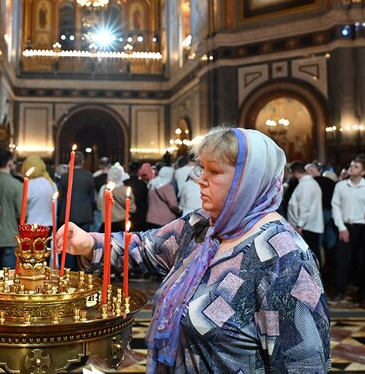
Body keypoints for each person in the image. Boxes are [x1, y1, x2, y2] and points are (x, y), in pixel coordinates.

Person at [56, 127, 330, 372]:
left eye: (214, 172)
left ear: (249, 181)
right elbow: (147, 247)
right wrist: (89, 243)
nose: (201, 179)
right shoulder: (201, 225)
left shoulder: (285, 257)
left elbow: (304, 363)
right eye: (202, 169)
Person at [329, 157, 365, 303]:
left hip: (363, 228)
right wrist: (341, 228)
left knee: (362, 262)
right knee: (341, 261)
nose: (351, 168)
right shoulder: (340, 186)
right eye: (351, 165)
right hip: (345, 226)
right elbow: (335, 207)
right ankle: (340, 291)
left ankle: (362, 292)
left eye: (356, 166)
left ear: (363, 172)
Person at [56, 151, 96, 270]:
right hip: (85, 214)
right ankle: (82, 272)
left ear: (71, 162)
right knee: (84, 246)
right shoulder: (89, 176)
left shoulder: (65, 177)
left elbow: (60, 197)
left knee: (67, 246)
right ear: (82, 162)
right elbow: (92, 197)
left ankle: (67, 273)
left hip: (68, 214)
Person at [287, 161, 324, 263]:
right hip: (308, 225)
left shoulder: (306, 185)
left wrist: (300, 225)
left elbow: (305, 207)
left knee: (308, 257)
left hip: (306, 227)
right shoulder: (309, 183)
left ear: (295, 172)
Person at [96, 163, 136, 232]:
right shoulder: (125, 190)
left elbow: (99, 206)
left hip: (107, 222)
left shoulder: (103, 189)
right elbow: (132, 209)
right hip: (122, 222)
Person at [22, 155, 57, 227]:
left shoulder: (28, 185)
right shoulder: (51, 184)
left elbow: (22, 209)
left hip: (32, 226)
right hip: (49, 225)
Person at [124, 161, 148, 231]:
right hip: (141, 215)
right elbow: (146, 198)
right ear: (138, 171)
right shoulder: (143, 184)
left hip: (128, 213)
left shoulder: (125, 183)